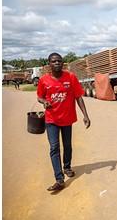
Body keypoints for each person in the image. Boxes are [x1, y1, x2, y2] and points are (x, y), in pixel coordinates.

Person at [37, 52, 91, 191]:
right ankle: (59, 179)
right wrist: (44, 101)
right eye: (54, 61)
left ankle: (67, 167)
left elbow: (79, 97)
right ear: (49, 64)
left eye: (59, 61)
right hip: (51, 119)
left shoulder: (70, 77)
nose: (57, 63)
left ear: (62, 63)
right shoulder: (44, 80)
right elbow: (39, 97)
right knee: (54, 147)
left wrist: (85, 115)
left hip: (67, 119)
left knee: (67, 146)